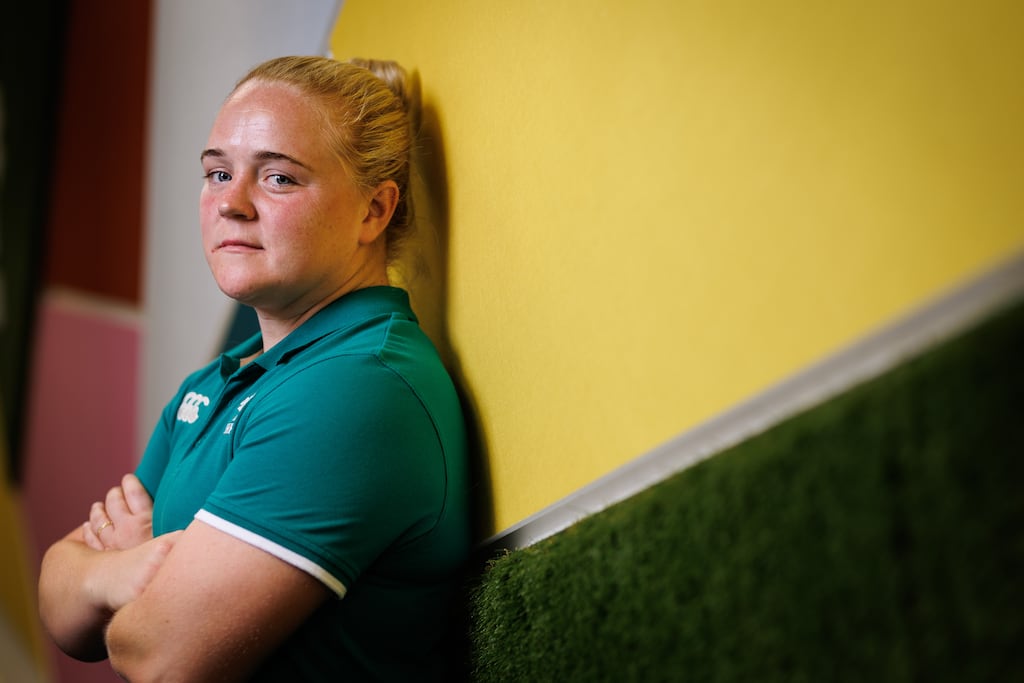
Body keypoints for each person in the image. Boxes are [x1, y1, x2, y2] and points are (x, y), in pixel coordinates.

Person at [38, 55, 471, 682]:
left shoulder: (355, 388)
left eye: (279, 179)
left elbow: (158, 657)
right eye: (218, 172)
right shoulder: (213, 384)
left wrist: (116, 579)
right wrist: (130, 569)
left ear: (373, 211)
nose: (231, 204)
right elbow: (59, 600)